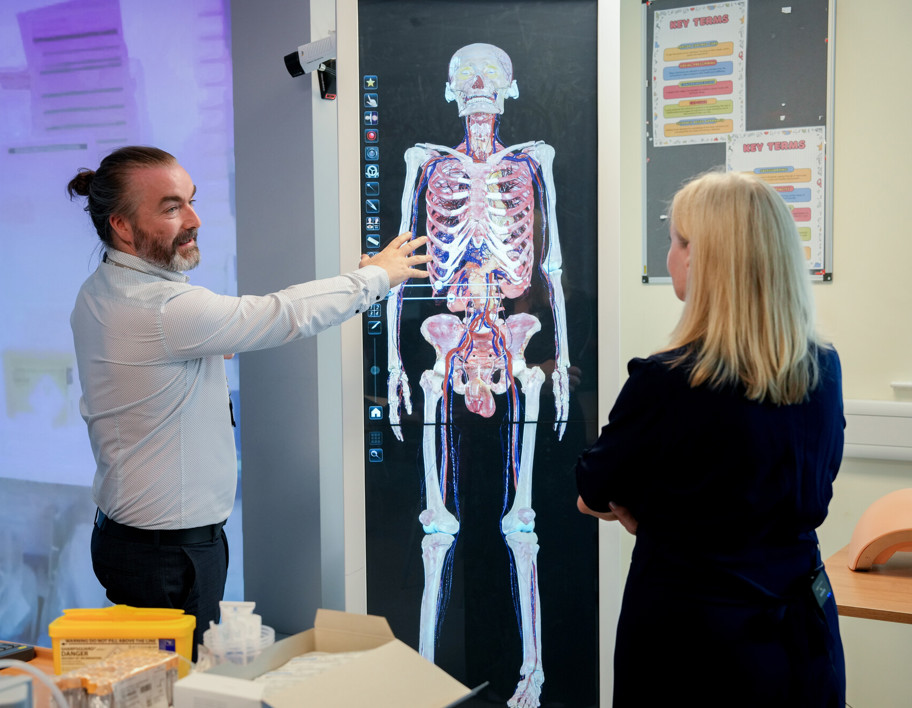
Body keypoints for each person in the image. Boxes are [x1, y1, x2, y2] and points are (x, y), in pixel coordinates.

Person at [68, 145, 430, 657]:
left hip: (142, 545)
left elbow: (163, 350)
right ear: (122, 227)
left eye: (192, 201)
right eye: (171, 208)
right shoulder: (162, 309)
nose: (193, 220)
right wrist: (377, 277)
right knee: (168, 689)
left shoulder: (103, 287)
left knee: (160, 683)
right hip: (165, 559)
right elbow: (280, 314)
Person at [574, 170, 845, 707]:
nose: (670, 255)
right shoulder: (823, 371)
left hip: (694, 649)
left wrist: (651, 515)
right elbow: (803, 487)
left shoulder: (667, 382)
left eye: (675, 241)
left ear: (702, 257)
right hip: (802, 638)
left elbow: (593, 487)